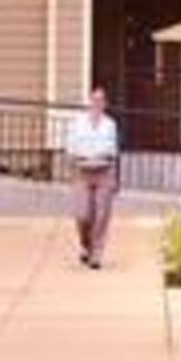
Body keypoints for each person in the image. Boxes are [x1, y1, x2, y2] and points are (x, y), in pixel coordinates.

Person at [65, 86, 120, 269]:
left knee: (102, 214)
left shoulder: (110, 124)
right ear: (89, 102)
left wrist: (113, 176)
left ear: (105, 104)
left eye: (101, 100)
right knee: (83, 214)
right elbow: (72, 147)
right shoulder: (78, 123)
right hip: (82, 170)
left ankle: (96, 253)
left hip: (104, 170)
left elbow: (111, 149)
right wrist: (79, 159)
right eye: (94, 99)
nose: (97, 103)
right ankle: (86, 245)